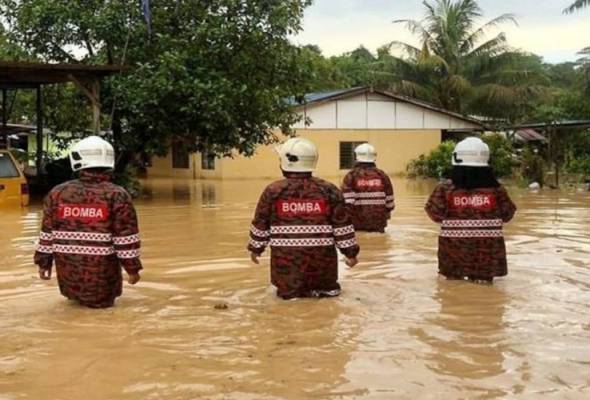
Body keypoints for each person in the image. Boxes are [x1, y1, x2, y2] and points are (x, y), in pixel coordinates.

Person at [34, 136, 142, 308]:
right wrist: (132, 269)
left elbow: (47, 233)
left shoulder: (57, 193)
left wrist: (43, 262)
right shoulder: (117, 195)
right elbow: (125, 238)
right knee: (101, 320)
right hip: (102, 280)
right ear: (109, 162)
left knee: (73, 310)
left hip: (67, 275)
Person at [248, 138, 360, 299]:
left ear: (286, 161)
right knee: (327, 303)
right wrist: (350, 254)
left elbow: (261, 225)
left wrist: (255, 249)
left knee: (288, 305)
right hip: (324, 273)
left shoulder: (273, 191)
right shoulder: (329, 190)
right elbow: (342, 227)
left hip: (287, 276)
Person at [425, 137, 516, 283]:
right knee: (485, 295)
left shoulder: (445, 189)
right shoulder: (497, 190)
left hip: (453, 255)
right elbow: (508, 215)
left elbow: (434, 214)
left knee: (452, 293)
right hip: (487, 259)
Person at [341, 143, 394, 232]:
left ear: (357, 158)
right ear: (374, 158)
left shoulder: (351, 176)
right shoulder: (382, 175)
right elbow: (390, 203)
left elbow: (347, 204)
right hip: (378, 224)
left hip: (358, 225)